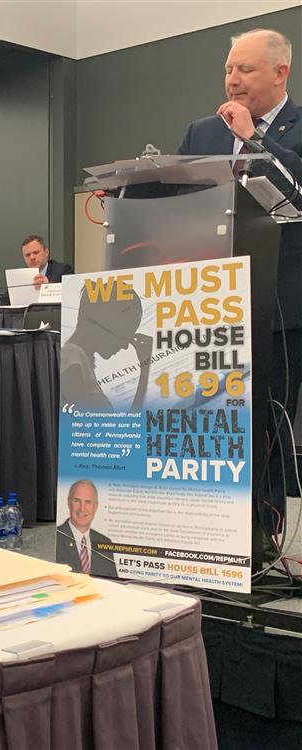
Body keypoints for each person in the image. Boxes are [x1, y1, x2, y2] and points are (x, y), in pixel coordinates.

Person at [176, 28, 302, 516]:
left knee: (268, 422)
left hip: (279, 304)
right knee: (210, 420)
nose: (232, 80)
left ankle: (264, 533)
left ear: (280, 72)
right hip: (209, 305)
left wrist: (255, 137)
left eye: (245, 69)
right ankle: (209, 527)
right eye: (229, 68)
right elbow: (176, 196)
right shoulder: (202, 131)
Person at [61, 287, 152, 412]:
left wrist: (145, 368)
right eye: (125, 332)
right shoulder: (73, 362)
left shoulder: (77, 360)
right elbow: (114, 429)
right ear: (106, 321)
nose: (126, 345)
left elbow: (115, 429)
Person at [56, 479, 117, 577]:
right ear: (68, 502)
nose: (82, 508)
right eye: (77, 501)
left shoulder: (105, 543)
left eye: (88, 502)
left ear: (96, 506)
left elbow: (115, 584)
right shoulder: (55, 538)